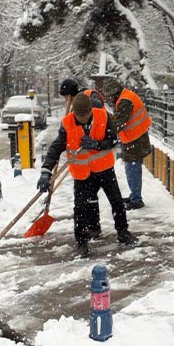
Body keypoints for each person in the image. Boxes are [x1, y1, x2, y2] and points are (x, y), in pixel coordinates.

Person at [37, 94, 138, 257]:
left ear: (91, 110)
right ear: (74, 113)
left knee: (117, 201)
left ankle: (123, 232)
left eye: (85, 115)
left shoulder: (103, 116)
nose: (82, 119)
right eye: (79, 116)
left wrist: (98, 145)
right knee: (80, 208)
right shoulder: (67, 123)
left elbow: (113, 140)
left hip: (104, 169)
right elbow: (56, 148)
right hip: (82, 174)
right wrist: (45, 171)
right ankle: (82, 242)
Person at [98, 76, 152, 210]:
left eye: (110, 96)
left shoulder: (124, 101)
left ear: (114, 93)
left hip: (136, 139)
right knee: (132, 168)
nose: (109, 99)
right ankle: (135, 195)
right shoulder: (125, 96)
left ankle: (136, 200)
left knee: (132, 169)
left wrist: (102, 134)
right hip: (134, 137)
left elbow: (118, 123)